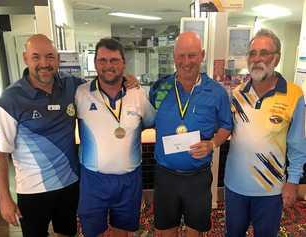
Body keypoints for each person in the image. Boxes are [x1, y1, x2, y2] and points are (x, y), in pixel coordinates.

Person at [0, 34, 138, 237]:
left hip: (70, 185)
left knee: (67, 234)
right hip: (32, 191)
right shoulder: (9, 100)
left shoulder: (72, 87)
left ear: (58, 59)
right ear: (25, 58)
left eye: (50, 56)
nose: (44, 63)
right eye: (36, 57)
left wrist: (127, 79)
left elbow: (104, 81)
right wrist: (4, 198)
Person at [149, 31, 233, 237]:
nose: (186, 62)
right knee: (166, 230)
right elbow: (144, 117)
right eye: (181, 55)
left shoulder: (217, 92)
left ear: (202, 55)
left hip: (198, 178)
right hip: (165, 176)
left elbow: (226, 126)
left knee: (195, 230)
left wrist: (212, 144)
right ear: (174, 56)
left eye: (192, 55)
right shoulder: (159, 89)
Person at [224, 28, 306, 237]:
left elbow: (298, 144)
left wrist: (293, 182)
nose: (257, 59)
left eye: (264, 53)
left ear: (276, 58)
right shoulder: (237, 94)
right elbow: (223, 129)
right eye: (252, 53)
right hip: (235, 186)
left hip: (270, 190)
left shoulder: (294, 95)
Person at [76, 38, 155, 237]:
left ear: (123, 63)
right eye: (102, 60)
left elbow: (151, 122)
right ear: (95, 63)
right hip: (93, 180)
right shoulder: (80, 93)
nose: (108, 65)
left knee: (123, 231)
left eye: (114, 60)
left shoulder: (137, 93)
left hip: (129, 180)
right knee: (93, 232)